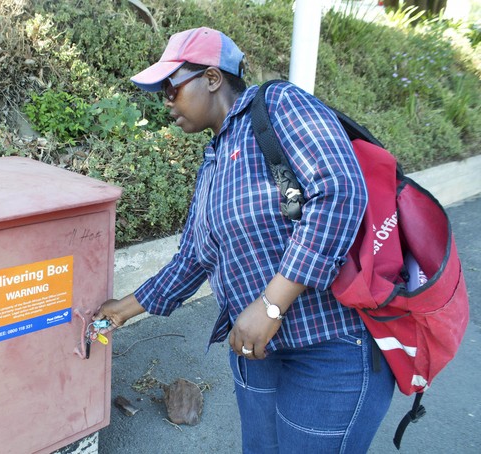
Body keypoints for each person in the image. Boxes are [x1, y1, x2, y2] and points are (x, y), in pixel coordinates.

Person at [94, 27, 395, 453]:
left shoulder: (279, 105)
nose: (165, 101)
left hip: (327, 349)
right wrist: (119, 311)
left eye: (171, 88)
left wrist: (272, 304)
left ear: (212, 78)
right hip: (256, 351)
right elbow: (193, 259)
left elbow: (339, 191)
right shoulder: (214, 158)